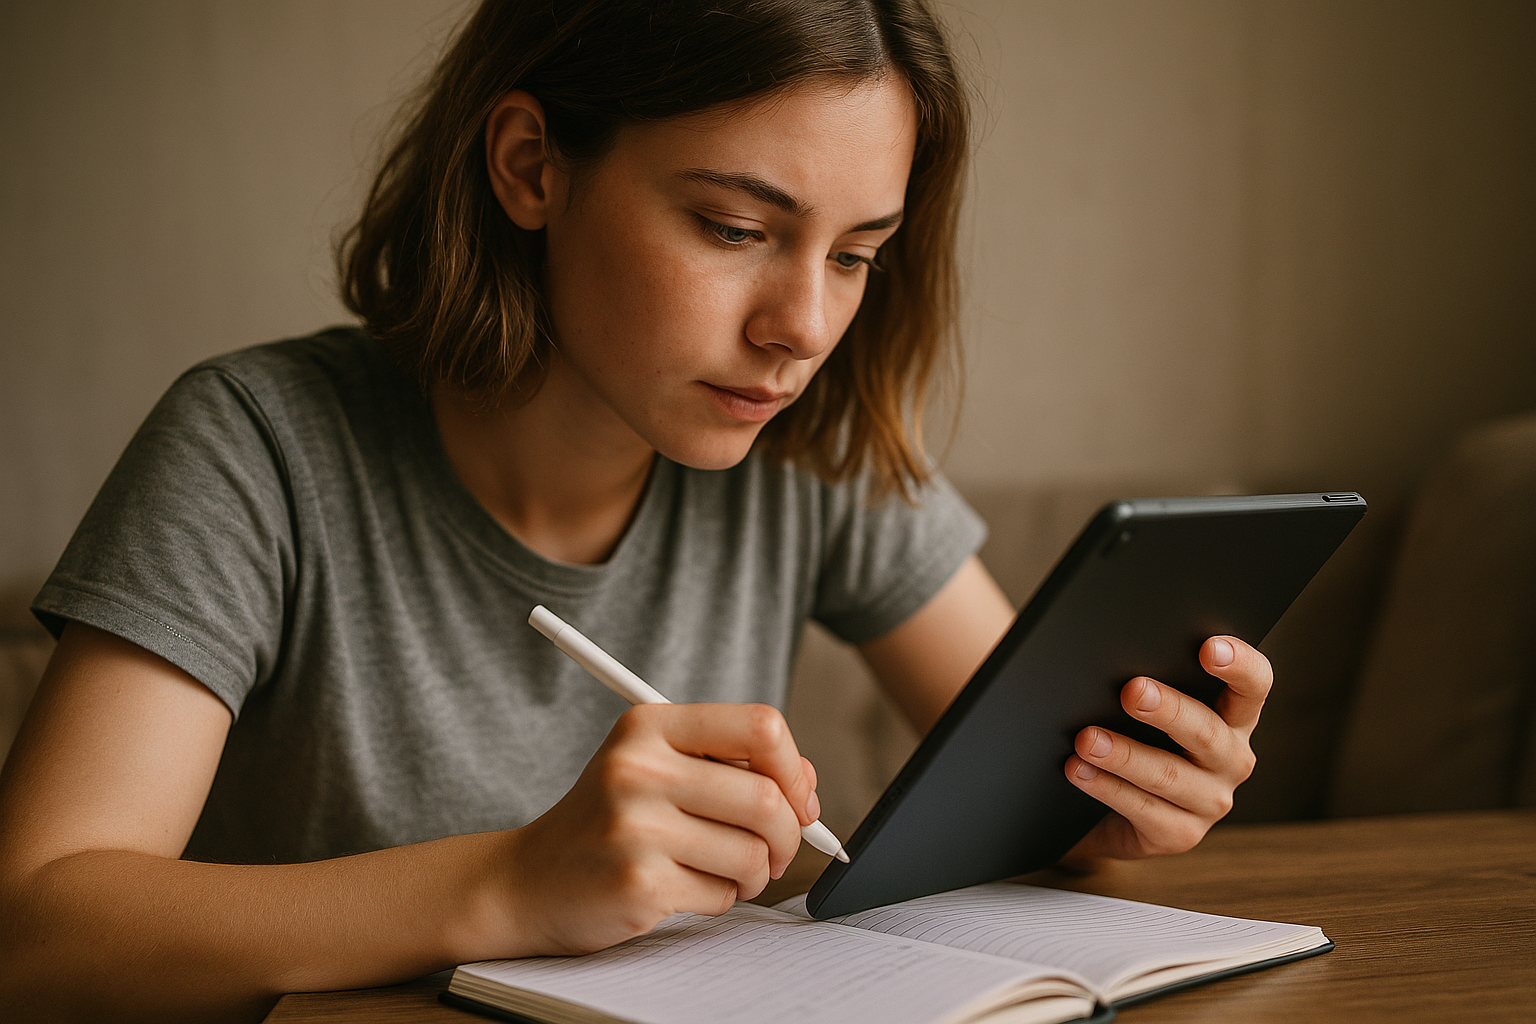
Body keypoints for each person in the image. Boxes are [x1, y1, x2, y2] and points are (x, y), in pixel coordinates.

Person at [0, 1, 1271, 1020]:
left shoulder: (808, 451)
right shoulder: (256, 447)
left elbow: (1034, 776)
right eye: (734, 227)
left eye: (855, 255)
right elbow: (36, 932)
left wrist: (1119, 794)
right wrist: (507, 882)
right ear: (530, 165)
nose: (804, 328)